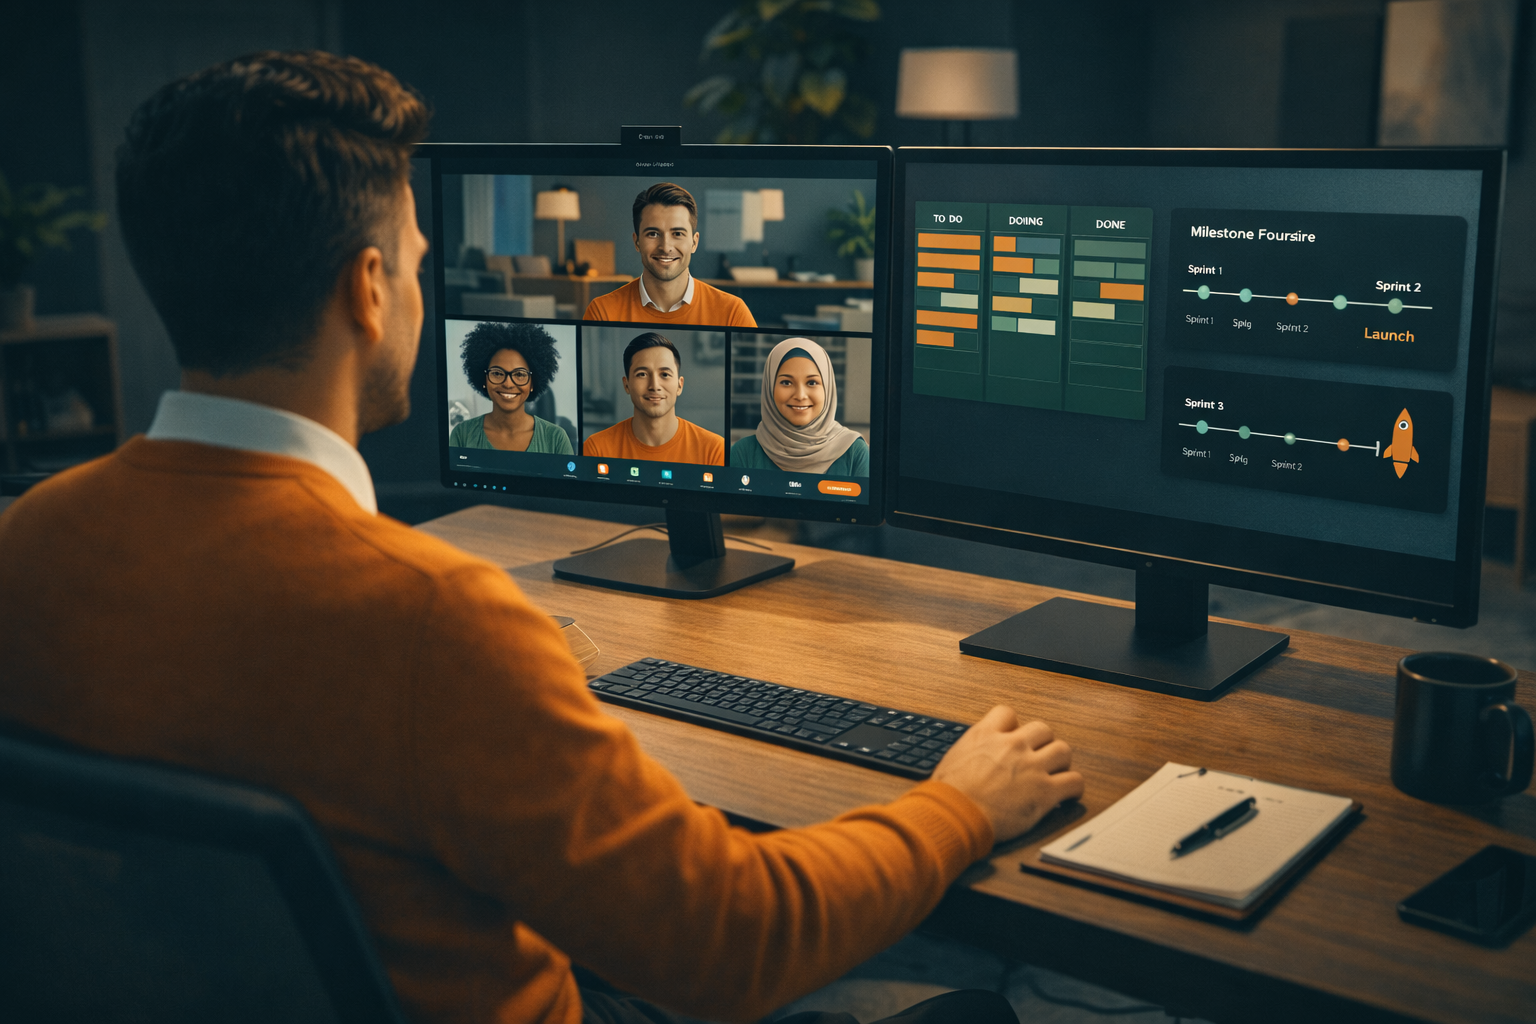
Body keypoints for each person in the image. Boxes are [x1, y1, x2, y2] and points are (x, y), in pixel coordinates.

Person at [0, 52, 1084, 1024]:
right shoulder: (435, 617)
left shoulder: (27, 542)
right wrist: (957, 805)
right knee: (974, 1011)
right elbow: (732, 944)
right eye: (419, 262)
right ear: (369, 291)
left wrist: (510, 691)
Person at [582, 183, 757, 327]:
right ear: (637, 242)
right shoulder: (602, 313)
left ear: (694, 242)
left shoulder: (733, 313)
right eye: (653, 234)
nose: (665, 247)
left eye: (677, 234)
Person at [730, 337, 870, 477]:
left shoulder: (855, 452)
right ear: (769, 388)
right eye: (786, 382)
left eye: (812, 383)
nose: (800, 395)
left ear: (828, 388)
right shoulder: (743, 453)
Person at [582, 332, 726, 465]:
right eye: (642, 374)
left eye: (664, 374)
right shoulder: (596, 448)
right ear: (626, 385)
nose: (655, 386)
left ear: (679, 385)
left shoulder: (714, 451)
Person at [450, 321, 574, 453]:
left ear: (532, 383)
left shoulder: (556, 438)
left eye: (519, 374)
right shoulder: (462, 434)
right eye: (497, 373)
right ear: (484, 379)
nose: (508, 384)